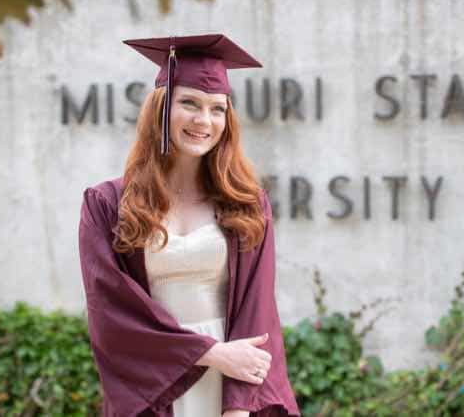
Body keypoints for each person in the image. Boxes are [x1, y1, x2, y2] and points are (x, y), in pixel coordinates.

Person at [77, 34, 300, 417]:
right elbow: (110, 311)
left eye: (217, 109)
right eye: (190, 104)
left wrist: (239, 407)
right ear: (161, 109)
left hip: (233, 382)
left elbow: (257, 307)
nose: (203, 120)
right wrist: (212, 353)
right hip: (154, 380)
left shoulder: (246, 203)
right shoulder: (108, 205)